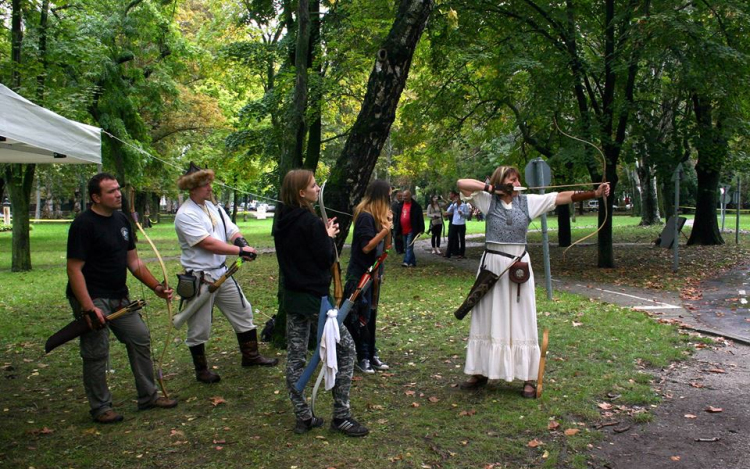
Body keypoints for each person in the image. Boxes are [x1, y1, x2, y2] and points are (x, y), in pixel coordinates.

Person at [456, 166, 609, 397]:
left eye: (517, 179)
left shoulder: (528, 202)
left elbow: (559, 197)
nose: (516, 183)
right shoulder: (488, 201)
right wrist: (491, 188)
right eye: (511, 180)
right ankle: (480, 371)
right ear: (501, 183)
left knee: (521, 320)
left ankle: (528, 377)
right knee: (486, 317)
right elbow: (461, 183)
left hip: (517, 268)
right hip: (491, 268)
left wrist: (594, 194)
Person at [66, 173, 178, 424]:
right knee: (97, 352)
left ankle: (148, 396)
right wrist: (88, 307)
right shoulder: (83, 224)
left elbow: (134, 261)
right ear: (96, 197)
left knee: (139, 337)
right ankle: (100, 407)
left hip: (119, 297)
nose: (118, 194)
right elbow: (74, 269)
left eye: (118, 189)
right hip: (92, 297)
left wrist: (157, 288)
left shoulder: (121, 220)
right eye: (110, 191)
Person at [273, 169, 369, 437]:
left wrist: (322, 234)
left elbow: (302, 252)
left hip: (293, 297)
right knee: (347, 349)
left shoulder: (282, 219)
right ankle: (342, 416)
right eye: (313, 186)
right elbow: (325, 258)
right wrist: (327, 236)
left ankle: (303, 415)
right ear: (301, 193)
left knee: (295, 356)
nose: (317, 189)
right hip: (315, 300)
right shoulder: (309, 222)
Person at [174, 163, 277, 385]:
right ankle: (201, 371)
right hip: (201, 278)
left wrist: (242, 243)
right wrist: (240, 251)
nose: (210, 188)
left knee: (243, 311)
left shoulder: (213, 207)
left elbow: (230, 229)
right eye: (205, 184)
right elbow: (207, 244)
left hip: (222, 273)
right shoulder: (185, 214)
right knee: (199, 326)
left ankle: (250, 356)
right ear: (192, 188)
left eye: (209, 182)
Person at [343, 180, 393, 374]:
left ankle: (372, 354)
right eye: (388, 195)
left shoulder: (379, 216)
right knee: (361, 316)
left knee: (371, 315)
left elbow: (386, 247)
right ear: (380, 196)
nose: (390, 199)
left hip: (375, 275)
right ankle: (362, 356)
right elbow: (366, 247)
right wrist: (384, 231)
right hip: (360, 275)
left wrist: (387, 228)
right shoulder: (365, 216)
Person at [393, 189, 425, 267]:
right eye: (403, 196)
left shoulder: (416, 206)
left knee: (409, 245)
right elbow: (397, 218)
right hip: (403, 230)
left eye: (406, 196)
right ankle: (413, 262)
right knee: (406, 246)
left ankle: (406, 261)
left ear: (410, 196)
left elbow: (420, 218)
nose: (404, 197)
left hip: (412, 229)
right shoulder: (400, 205)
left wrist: (421, 229)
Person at [445, 193, 470, 259]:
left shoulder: (464, 206)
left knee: (462, 239)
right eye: (455, 198)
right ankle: (448, 253)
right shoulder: (454, 205)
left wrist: (462, 213)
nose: (456, 199)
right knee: (451, 238)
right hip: (454, 223)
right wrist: (453, 204)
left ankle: (462, 253)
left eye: (457, 198)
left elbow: (467, 215)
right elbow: (448, 211)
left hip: (461, 224)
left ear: (460, 198)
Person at [390, 190, 404, 254]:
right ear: (396, 196)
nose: (400, 197)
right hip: (395, 223)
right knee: (396, 237)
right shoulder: (394, 205)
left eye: (401, 196)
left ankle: (402, 249)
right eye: (399, 196)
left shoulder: (404, 204)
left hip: (402, 223)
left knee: (402, 237)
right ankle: (398, 249)